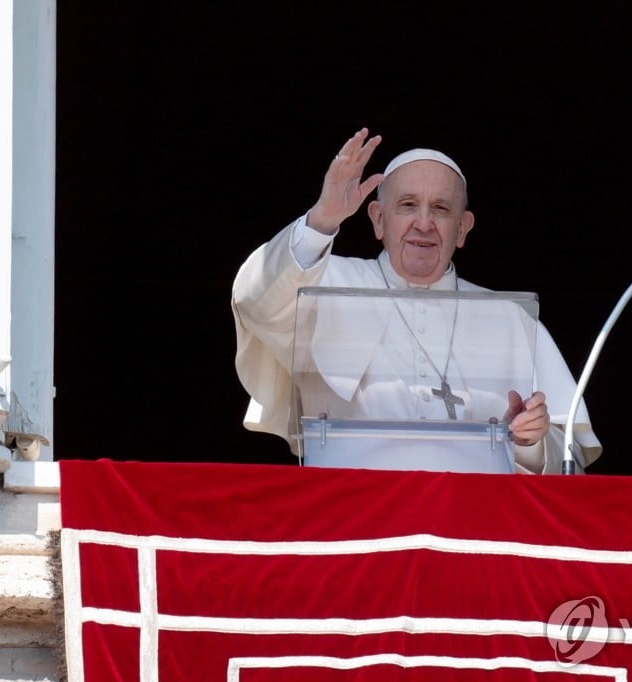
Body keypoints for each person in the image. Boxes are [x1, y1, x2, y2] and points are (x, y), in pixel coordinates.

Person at [232, 128, 601, 473]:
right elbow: (254, 301)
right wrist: (323, 220)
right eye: (407, 205)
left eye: (440, 208)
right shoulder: (322, 282)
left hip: (472, 519)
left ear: (463, 228)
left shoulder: (510, 319)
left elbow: (569, 458)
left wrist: (529, 443)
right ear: (377, 219)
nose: (423, 223)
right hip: (354, 512)